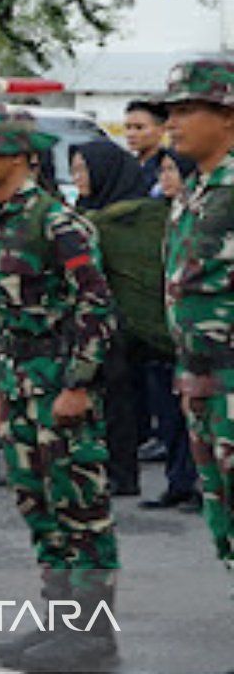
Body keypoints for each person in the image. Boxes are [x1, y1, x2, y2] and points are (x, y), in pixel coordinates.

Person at [0, 106, 119, 669]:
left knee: (79, 508)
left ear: (22, 158)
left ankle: (93, 633)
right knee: (39, 506)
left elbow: (95, 305)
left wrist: (79, 383)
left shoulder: (57, 222)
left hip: (58, 382)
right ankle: (59, 619)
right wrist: (0, 391)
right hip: (18, 383)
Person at [160, 59, 234, 593]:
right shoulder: (195, 194)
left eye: (187, 110)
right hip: (200, 379)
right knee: (222, 517)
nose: (174, 123)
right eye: (172, 111)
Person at [69, 141, 152, 497]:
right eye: (74, 170)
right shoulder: (82, 212)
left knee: (118, 399)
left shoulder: (131, 216)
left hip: (119, 323)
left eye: (83, 170)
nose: (77, 178)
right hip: (88, 321)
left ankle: (123, 471)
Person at [135, 146, 203, 512]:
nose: (164, 178)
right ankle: (178, 483)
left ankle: (197, 486)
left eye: (172, 170)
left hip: (203, 333)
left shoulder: (207, 212)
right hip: (167, 330)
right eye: (161, 170)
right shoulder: (168, 214)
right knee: (171, 415)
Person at [124, 99, 170, 194]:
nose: (131, 134)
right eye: (128, 127)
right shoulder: (124, 165)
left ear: (161, 130)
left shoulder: (170, 166)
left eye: (139, 128)